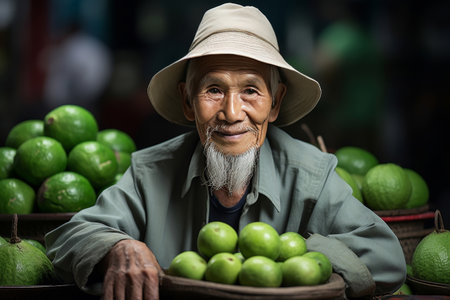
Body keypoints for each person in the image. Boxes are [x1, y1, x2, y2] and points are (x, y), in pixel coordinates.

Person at [46, 3, 406, 300]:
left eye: (251, 91)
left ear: (275, 104)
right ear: (188, 102)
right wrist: (117, 248)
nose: (232, 114)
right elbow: (67, 240)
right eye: (214, 90)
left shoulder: (311, 172)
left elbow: (387, 259)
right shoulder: (150, 171)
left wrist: (293, 259)